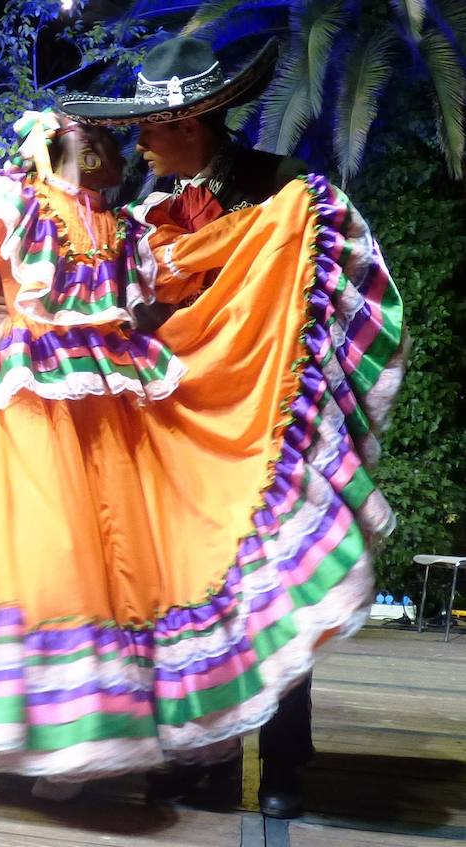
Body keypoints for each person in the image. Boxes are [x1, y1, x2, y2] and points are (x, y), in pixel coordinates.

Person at [0, 105, 404, 798]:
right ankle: (55, 737)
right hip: (32, 407)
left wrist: (288, 220)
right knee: (49, 559)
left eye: (129, 130)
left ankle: (138, 743)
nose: (120, 141)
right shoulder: (18, 200)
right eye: (97, 131)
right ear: (56, 140)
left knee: (132, 567)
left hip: (114, 411)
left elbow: (188, 258)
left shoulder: (124, 221)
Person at [60, 35, 316, 818]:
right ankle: (205, 755)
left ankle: (285, 761)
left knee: (269, 582)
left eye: (151, 125)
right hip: (175, 425)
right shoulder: (142, 207)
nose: (137, 138)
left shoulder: (282, 190)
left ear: (196, 121)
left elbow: (310, 295)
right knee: (191, 587)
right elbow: (138, 301)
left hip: (262, 419)